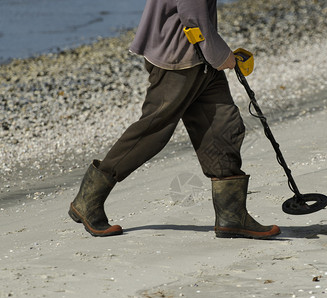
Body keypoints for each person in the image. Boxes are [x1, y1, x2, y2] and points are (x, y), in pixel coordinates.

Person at [68, 0, 281, 239]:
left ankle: (232, 216)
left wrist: (215, 54)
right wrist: (221, 56)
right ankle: (88, 200)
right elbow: (192, 14)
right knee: (152, 132)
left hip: (199, 57)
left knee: (223, 125)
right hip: (178, 59)